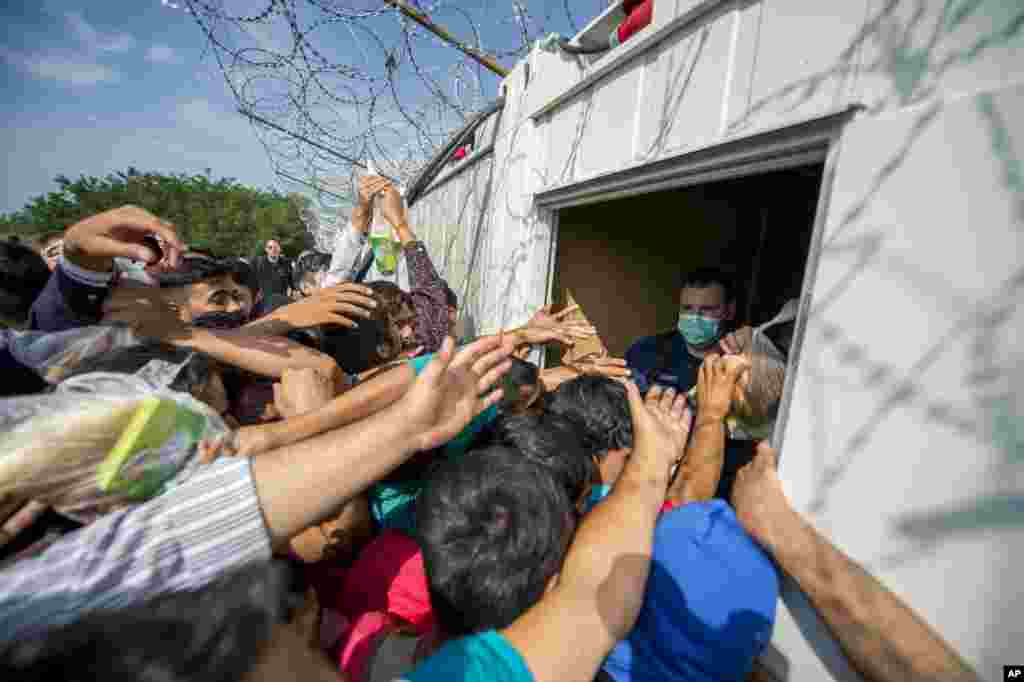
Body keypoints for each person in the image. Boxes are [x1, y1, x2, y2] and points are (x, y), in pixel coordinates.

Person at [0, 334, 515, 642]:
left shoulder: (95, 576)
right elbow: (331, 530)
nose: (233, 444)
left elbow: (218, 515)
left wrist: (402, 428)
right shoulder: (49, 611)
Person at [325, 176, 449, 353]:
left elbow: (332, 290)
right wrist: (399, 223)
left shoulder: (349, 356)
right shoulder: (425, 354)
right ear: (405, 330)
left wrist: (361, 213)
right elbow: (432, 298)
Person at [626, 267, 737, 394]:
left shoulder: (739, 364)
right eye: (687, 308)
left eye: (707, 309)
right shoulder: (645, 351)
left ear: (730, 311)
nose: (695, 317)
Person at [250, 239, 293, 304]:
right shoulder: (258, 264)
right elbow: (252, 283)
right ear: (266, 250)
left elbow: (291, 281)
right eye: (270, 247)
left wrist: (293, 290)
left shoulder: (286, 263)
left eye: (276, 247)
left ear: (280, 249)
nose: (273, 249)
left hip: (284, 301)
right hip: (266, 304)